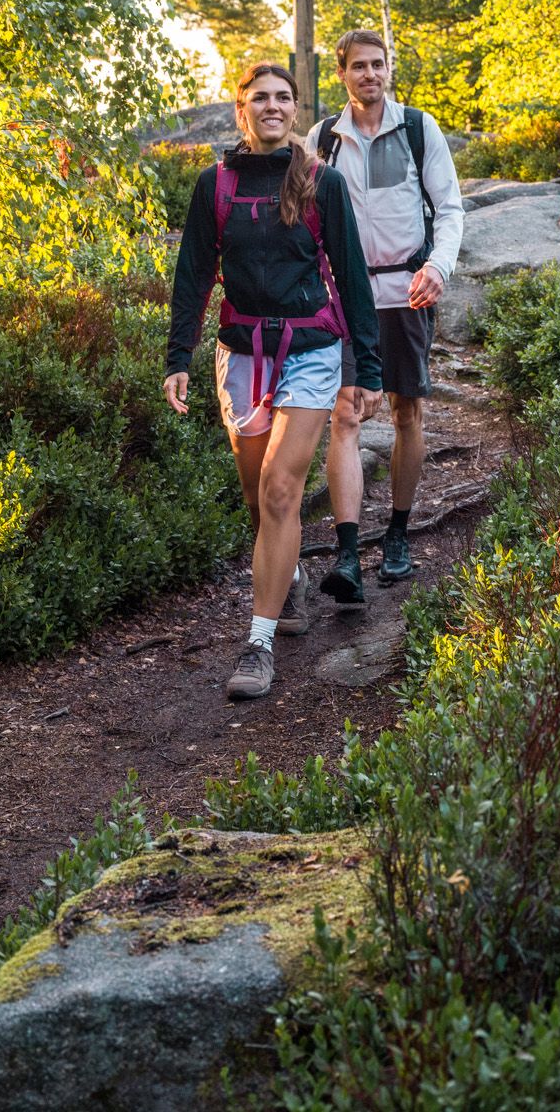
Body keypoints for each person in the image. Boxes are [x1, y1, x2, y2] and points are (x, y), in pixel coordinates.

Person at [164, 62, 382, 700]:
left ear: (296, 107)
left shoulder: (322, 183)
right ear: (242, 109)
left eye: (283, 97)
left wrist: (367, 369)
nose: (273, 106)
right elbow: (193, 275)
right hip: (241, 353)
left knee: (282, 490)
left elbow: (351, 275)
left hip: (311, 351)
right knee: (258, 496)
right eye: (259, 97)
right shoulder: (215, 185)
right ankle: (288, 583)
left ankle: (258, 644)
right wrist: (178, 357)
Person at [313, 29, 465, 600]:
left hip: (408, 293)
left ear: (388, 69)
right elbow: (306, 218)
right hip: (344, 300)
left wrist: (439, 267)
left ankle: (398, 536)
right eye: (359, 66)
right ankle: (348, 553)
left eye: (378, 64)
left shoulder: (419, 129)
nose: (370, 74)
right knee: (345, 416)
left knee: (406, 413)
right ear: (342, 74)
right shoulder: (323, 139)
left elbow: (449, 208)